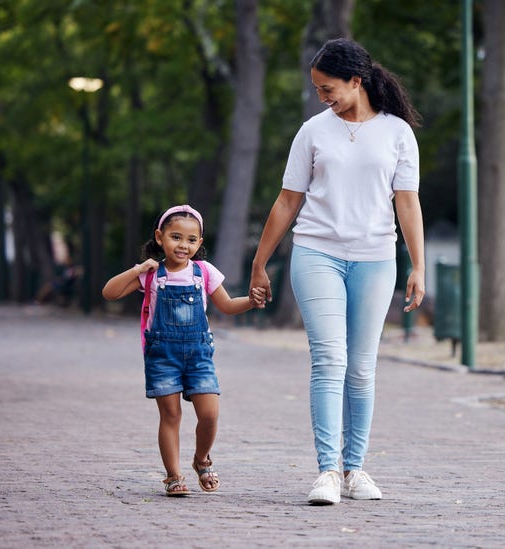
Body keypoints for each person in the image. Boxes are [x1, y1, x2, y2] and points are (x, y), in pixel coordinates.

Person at [250, 38, 425, 504]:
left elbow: (407, 203)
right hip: (316, 253)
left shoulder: (397, 133)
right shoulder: (312, 132)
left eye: (328, 88)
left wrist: (418, 266)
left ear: (356, 80)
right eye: (317, 89)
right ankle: (327, 471)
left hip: (376, 258)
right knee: (330, 360)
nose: (321, 97)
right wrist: (260, 261)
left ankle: (355, 469)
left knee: (362, 369)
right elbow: (289, 200)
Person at [102, 204, 267, 496]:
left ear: (199, 243)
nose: (183, 245)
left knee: (210, 413)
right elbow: (109, 293)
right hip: (162, 357)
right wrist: (139, 268)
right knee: (171, 416)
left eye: (191, 240)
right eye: (176, 237)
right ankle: (173, 476)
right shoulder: (152, 275)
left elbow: (227, 306)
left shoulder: (203, 272)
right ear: (160, 236)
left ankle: (201, 459)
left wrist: (251, 302)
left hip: (198, 356)